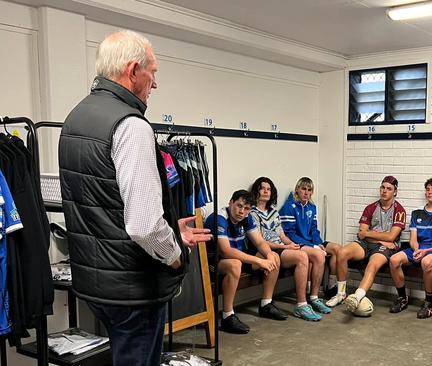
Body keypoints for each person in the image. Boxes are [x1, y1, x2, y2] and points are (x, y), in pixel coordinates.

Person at [58, 30, 212, 366]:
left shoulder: (75, 119)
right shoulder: (130, 126)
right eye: (152, 72)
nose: (154, 83)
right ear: (132, 70)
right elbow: (142, 226)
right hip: (133, 289)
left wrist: (171, 229)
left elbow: (101, 203)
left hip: (97, 283)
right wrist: (173, 255)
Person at [204, 190, 288, 334]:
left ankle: (266, 304)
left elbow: (260, 242)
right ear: (231, 202)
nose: (242, 211)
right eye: (239, 206)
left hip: (240, 257)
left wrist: (268, 255)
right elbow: (225, 251)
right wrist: (258, 261)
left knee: (273, 256)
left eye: (247, 208)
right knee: (235, 265)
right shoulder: (218, 218)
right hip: (215, 261)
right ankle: (227, 316)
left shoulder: (247, 218)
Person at [325, 176, 406, 311]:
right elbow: (362, 233)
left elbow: (392, 236)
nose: (384, 191)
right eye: (382, 187)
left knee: (372, 264)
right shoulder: (370, 208)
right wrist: (382, 238)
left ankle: (357, 296)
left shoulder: (399, 211)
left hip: (385, 248)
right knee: (342, 252)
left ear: (395, 192)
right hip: (370, 243)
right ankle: (341, 294)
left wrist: (371, 234)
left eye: (389, 189)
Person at [250, 177, 325, 321]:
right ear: (256, 191)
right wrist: (285, 246)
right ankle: (301, 305)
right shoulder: (252, 213)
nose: (266, 191)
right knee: (303, 256)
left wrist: (291, 244)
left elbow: (282, 235)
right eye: (262, 188)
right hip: (265, 249)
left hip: (281, 247)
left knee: (304, 253)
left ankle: (309, 300)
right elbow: (260, 242)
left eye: (269, 189)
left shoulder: (273, 212)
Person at [388, 177, 432, 319]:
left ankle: (429, 302)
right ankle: (402, 298)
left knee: (426, 262)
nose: (429, 192)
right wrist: (417, 249)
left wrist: (425, 251)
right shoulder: (417, 212)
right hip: (418, 248)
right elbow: (413, 239)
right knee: (394, 260)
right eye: (427, 189)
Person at [278, 177, 340, 313]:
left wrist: (318, 242)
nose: (306, 192)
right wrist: (312, 247)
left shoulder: (312, 207)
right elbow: (290, 234)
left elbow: (313, 229)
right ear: (297, 190)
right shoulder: (288, 207)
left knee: (327, 251)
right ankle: (310, 298)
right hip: (294, 243)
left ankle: (315, 297)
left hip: (309, 242)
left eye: (309, 190)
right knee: (319, 255)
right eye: (303, 189)